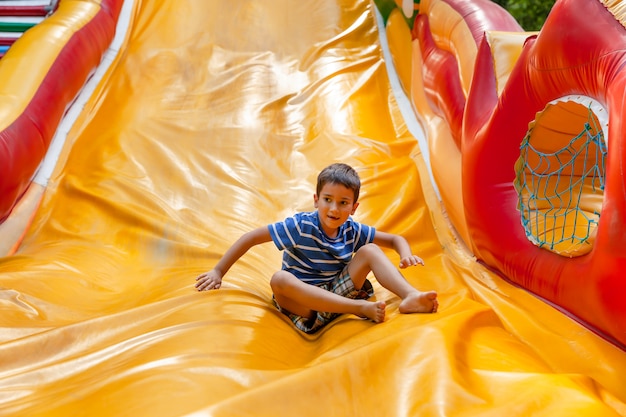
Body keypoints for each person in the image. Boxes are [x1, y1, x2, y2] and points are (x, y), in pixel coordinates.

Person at [195, 163, 438, 333]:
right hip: (305, 307)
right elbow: (251, 237)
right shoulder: (301, 226)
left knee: (370, 250)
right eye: (327, 200)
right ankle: (360, 309)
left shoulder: (351, 229)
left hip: (336, 293)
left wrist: (406, 255)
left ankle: (410, 296)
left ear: (354, 207)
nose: (334, 209)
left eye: (343, 203)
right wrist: (218, 271)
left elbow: (396, 240)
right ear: (316, 200)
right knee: (280, 279)